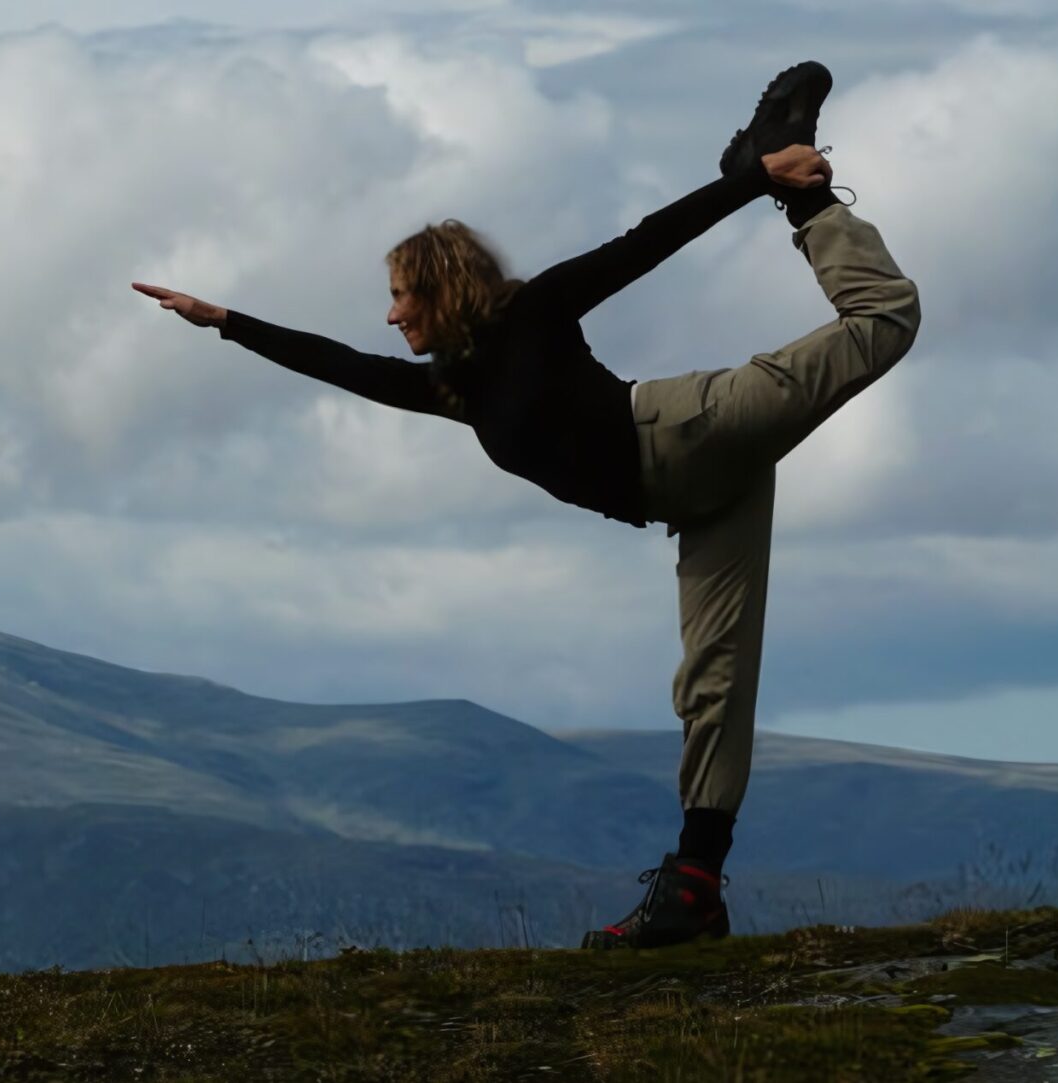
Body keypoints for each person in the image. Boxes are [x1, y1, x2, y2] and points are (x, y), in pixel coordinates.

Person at [131, 61, 919, 950]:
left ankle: (812, 205)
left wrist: (756, 178)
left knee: (884, 319)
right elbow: (341, 366)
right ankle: (695, 889)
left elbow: (646, 241)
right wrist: (226, 320)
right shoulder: (454, 389)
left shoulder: (534, 315)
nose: (391, 316)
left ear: (439, 287)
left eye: (400, 295)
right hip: (698, 499)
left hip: (689, 430)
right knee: (715, 687)